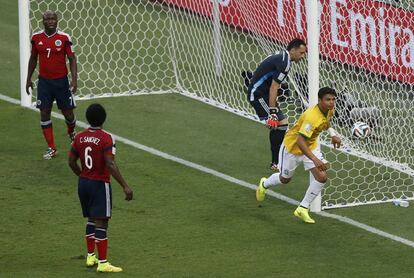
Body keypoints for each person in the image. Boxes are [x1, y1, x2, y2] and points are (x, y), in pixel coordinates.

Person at [256, 87, 341, 224]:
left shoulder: (329, 109)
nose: (331, 102)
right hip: (292, 148)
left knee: (322, 177)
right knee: (285, 179)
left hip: (310, 147)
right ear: (320, 101)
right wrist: (315, 160)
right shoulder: (311, 117)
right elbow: (300, 141)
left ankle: (302, 208)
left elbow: (327, 121)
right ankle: (264, 184)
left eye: (333, 99)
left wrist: (333, 134)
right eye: (327, 100)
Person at [68, 103, 133, 272]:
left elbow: (71, 162)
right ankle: (103, 263)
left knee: (91, 218)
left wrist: (83, 176)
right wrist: (125, 186)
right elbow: (110, 163)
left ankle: (91, 256)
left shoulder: (79, 137)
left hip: (83, 183)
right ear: (104, 119)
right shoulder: (107, 138)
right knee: (102, 222)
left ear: (88, 119)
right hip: (99, 184)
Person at [246, 38, 307, 172]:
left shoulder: (281, 55)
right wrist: (273, 112)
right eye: (301, 53)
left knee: (282, 125)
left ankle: (277, 161)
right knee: (278, 124)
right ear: (293, 50)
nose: (303, 56)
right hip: (258, 95)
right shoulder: (285, 63)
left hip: (264, 93)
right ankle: (276, 162)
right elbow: (274, 87)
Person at [26, 10, 78, 159]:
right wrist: (28, 78)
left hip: (61, 82)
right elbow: (33, 58)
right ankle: (51, 147)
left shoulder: (64, 38)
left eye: (52, 19)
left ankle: (71, 132)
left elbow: (72, 59)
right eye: (47, 19)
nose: (50, 21)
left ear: (57, 20)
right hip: (44, 83)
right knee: (44, 113)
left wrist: (74, 80)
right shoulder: (36, 38)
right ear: (43, 21)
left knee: (68, 113)